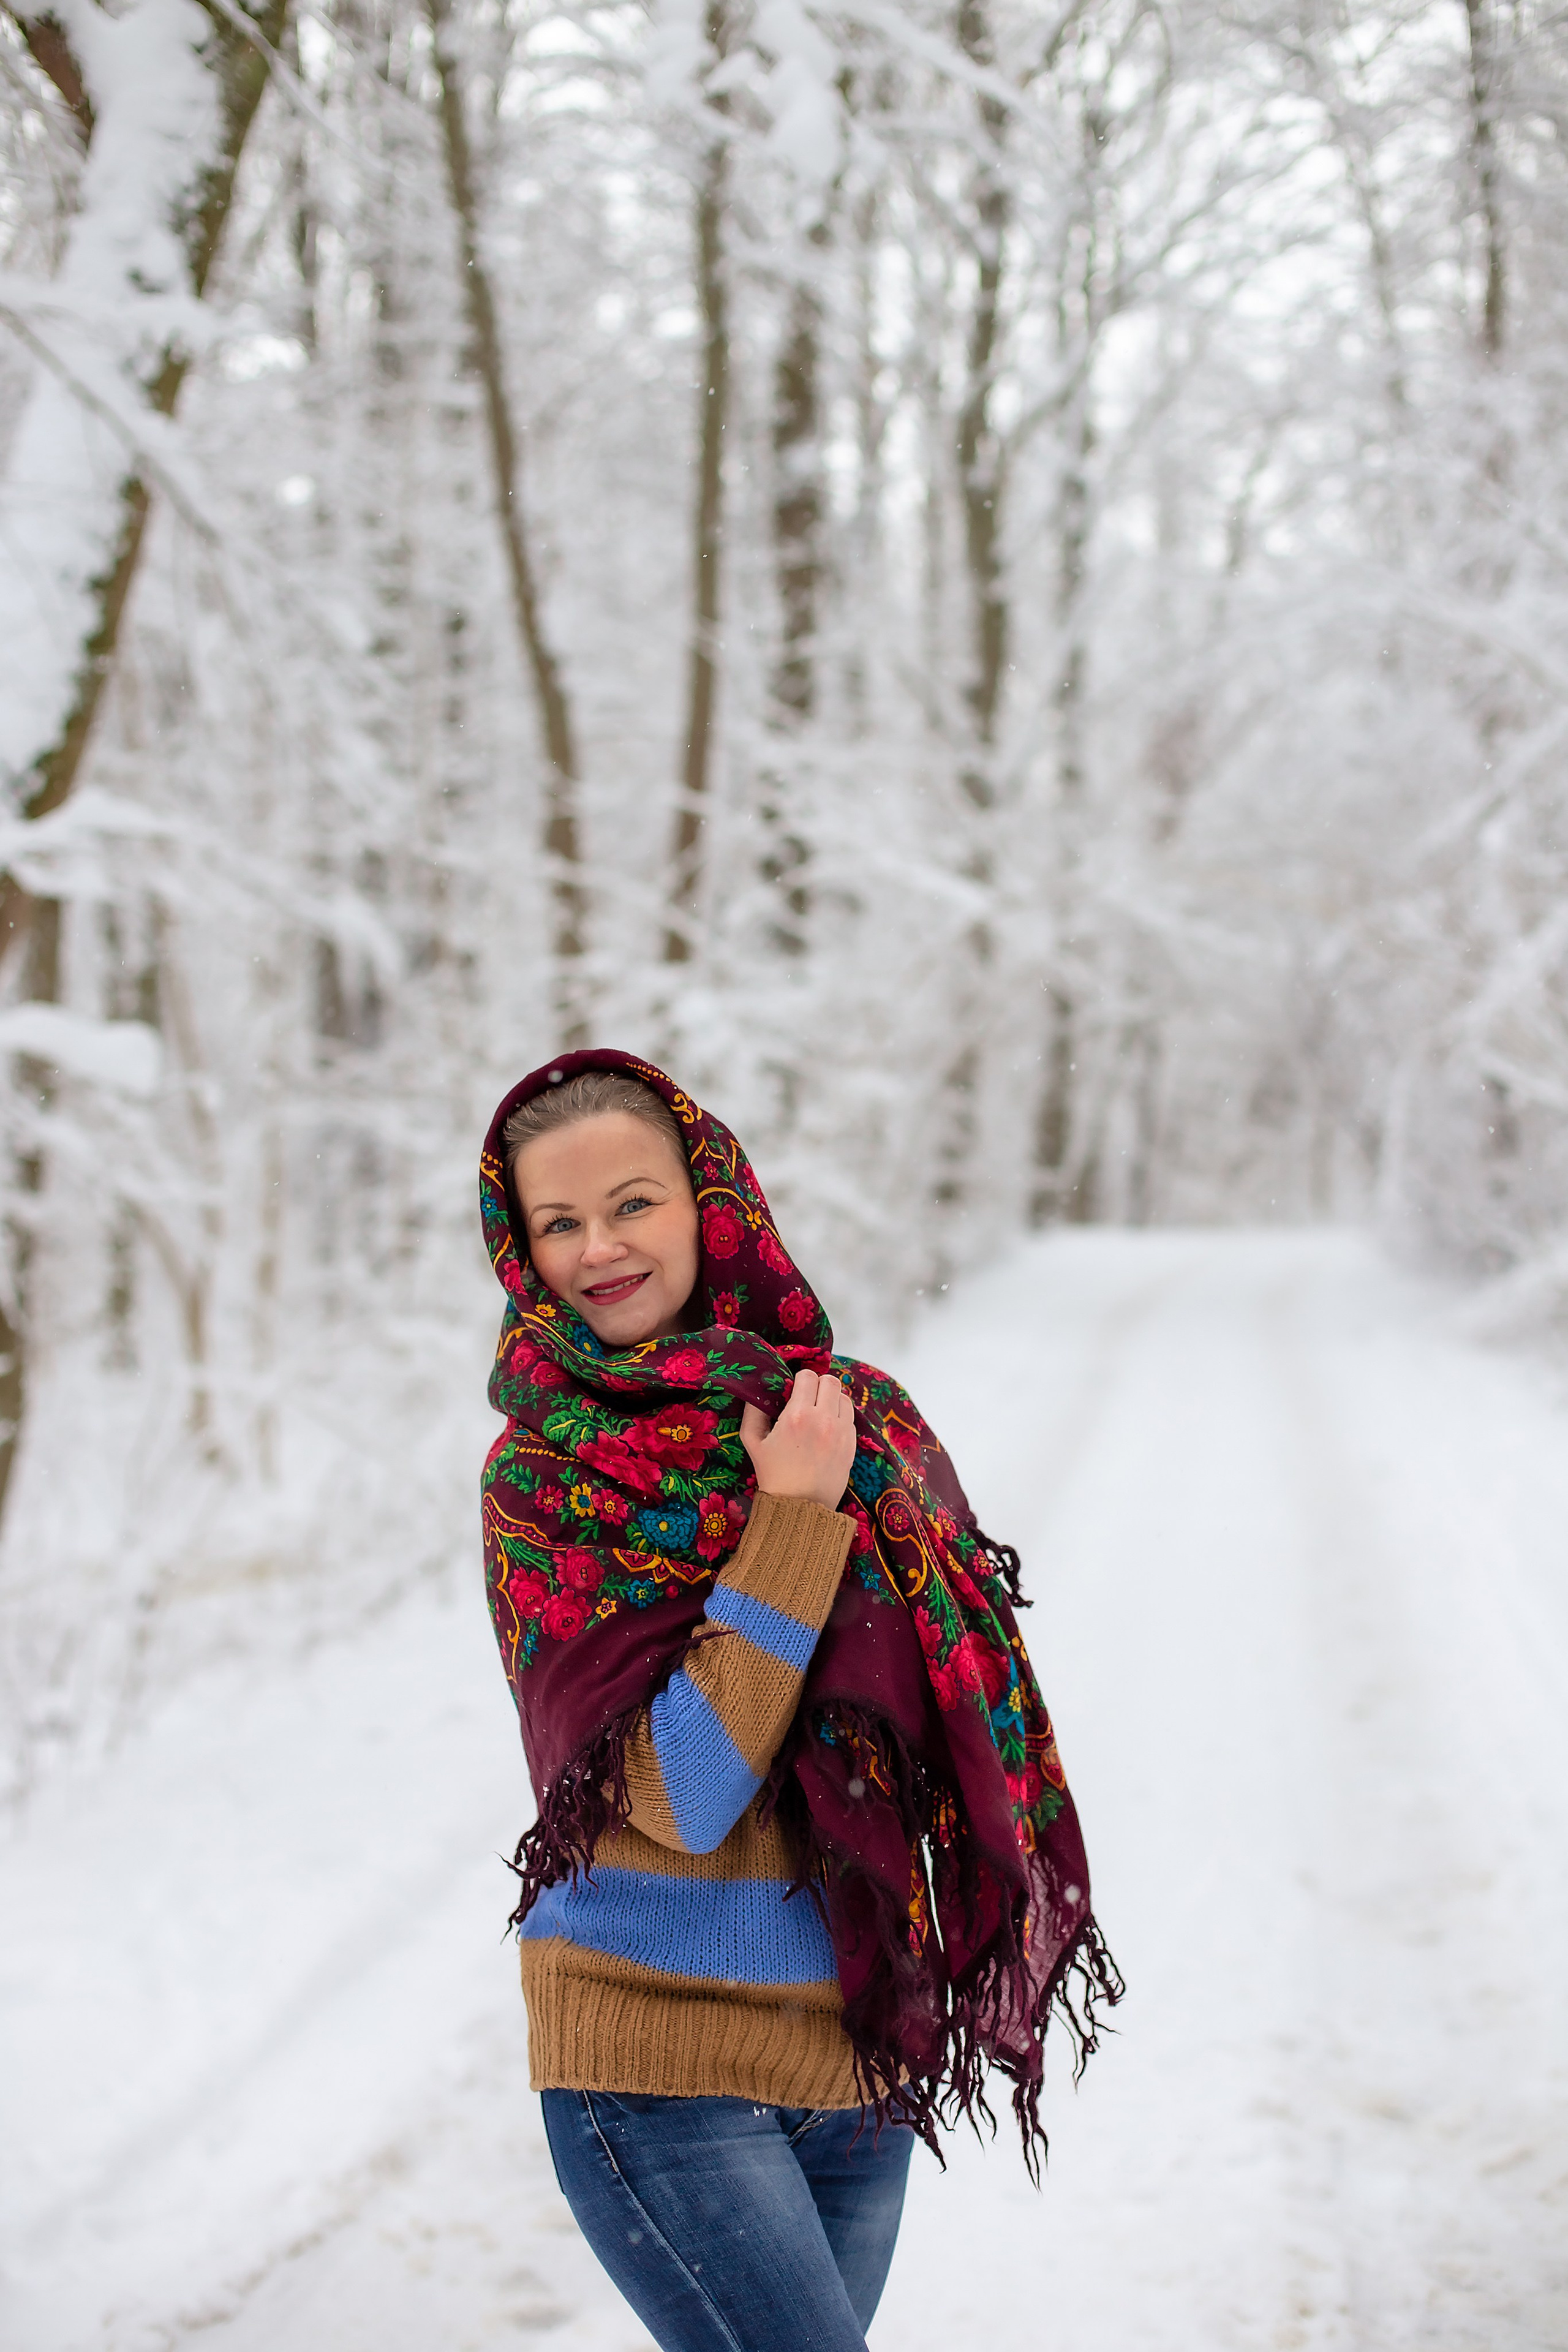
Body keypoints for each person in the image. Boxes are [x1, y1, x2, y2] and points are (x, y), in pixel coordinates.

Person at [479, 1050, 1119, 2352]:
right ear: (520, 1252)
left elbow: (941, 1718)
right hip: (652, 2070)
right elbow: (680, 1795)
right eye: (559, 1222)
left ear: (710, 1203)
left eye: (632, 1202)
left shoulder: (845, 1417)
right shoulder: (540, 1482)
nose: (599, 1247)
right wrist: (787, 1526)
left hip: (850, 2056)